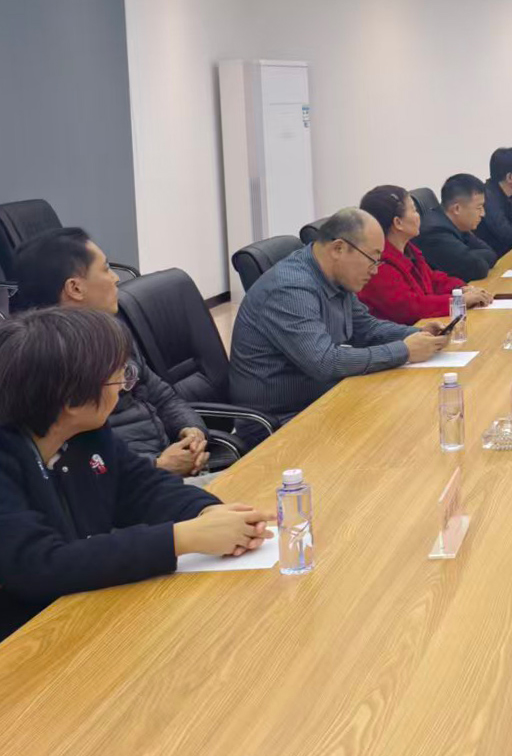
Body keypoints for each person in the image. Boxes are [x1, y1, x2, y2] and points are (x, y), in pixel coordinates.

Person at [0, 308, 272, 639]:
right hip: (28, 639)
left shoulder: (87, 433)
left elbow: (144, 487)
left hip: (89, 610)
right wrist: (181, 538)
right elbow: (39, 566)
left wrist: (206, 511)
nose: (124, 388)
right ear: (71, 399)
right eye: (118, 378)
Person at [10, 228, 209, 478]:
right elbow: (75, 461)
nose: (115, 278)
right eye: (105, 269)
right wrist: (158, 466)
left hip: (164, 468)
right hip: (127, 484)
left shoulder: (113, 332)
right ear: (75, 288)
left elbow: (161, 395)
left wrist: (191, 430)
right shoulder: (49, 362)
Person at [229, 208, 447, 425]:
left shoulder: (335, 276)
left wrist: (418, 334)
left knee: (409, 409)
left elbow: (366, 328)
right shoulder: (290, 289)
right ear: (338, 248)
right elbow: (324, 362)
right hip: (281, 422)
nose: (375, 271)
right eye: (372, 259)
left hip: (323, 399)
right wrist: (404, 350)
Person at [357, 185, 492, 325]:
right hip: (403, 333)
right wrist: (459, 301)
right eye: (414, 210)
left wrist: (461, 289)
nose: (419, 216)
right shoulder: (378, 264)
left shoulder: (408, 249)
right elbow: (411, 308)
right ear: (398, 223)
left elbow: (432, 279)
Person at [417, 173, 500, 282]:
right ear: (457, 209)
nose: (483, 214)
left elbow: (491, 254)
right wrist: (470, 256)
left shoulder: (456, 224)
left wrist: (469, 255)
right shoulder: (435, 233)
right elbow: (477, 268)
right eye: (478, 208)